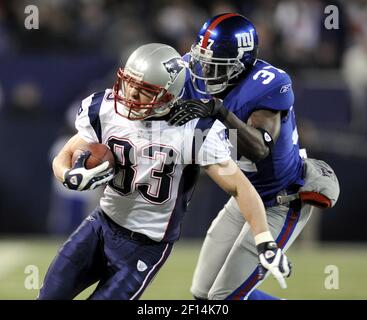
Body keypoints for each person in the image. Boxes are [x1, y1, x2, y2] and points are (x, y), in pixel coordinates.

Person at [38, 43, 291, 300]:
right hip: (100, 226)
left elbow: (239, 187)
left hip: (145, 246)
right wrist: (69, 175)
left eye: (144, 90)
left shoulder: (194, 131)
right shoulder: (104, 108)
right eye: (129, 83)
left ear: (168, 94)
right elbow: (66, 154)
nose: (132, 94)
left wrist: (264, 240)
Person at [168, 13, 340, 300]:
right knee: (201, 295)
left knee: (224, 299)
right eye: (203, 61)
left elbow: (260, 148)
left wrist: (220, 112)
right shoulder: (197, 73)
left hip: (280, 201)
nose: (205, 71)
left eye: (216, 66)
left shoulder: (267, 84)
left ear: (240, 65)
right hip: (244, 199)